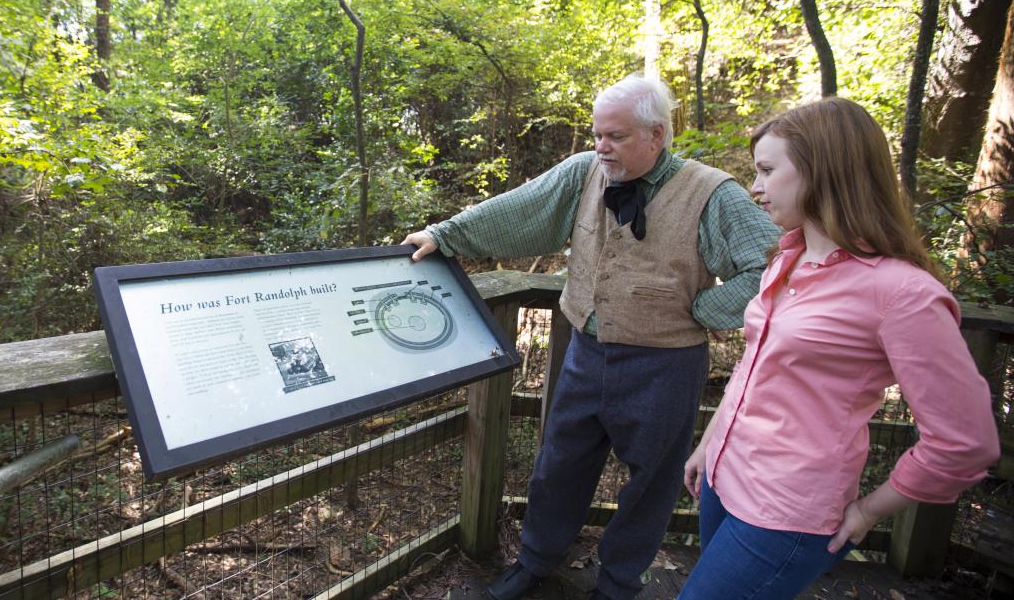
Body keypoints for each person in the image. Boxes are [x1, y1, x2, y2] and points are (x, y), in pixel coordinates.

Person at [401, 75, 779, 600]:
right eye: (598, 134)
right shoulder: (585, 173)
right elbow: (518, 209)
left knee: (650, 483)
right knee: (559, 464)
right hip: (585, 352)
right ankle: (535, 562)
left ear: (658, 135)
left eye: (617, 137)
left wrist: (704, 309)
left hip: (665, 364)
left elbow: (772, 268)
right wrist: (443, 235)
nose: (601, 146)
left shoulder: (711, 192)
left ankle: (620, 582)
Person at [678, 98, 1000, 599]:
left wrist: (872, 509)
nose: (755, 187)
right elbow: (752, 368)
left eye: (767, 170)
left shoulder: (902, 292)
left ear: (822, 171)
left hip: (787, 513)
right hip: (725, 481)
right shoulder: (787, 260)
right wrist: (708, 445)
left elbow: (965, 441)